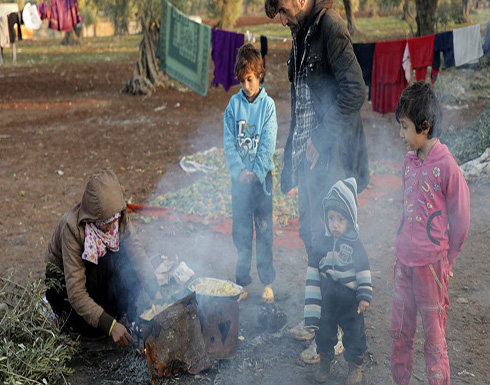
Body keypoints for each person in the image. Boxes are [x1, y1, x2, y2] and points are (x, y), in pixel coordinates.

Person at [264, 0, 370, 358]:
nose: (281, 19)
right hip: (309, 161)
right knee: (313, 239)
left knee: (333, 247)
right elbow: (303, 100)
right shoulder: (301, 32)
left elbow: (355, 91)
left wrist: (321, 137)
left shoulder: (331, 28)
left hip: (333, 159)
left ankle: (335, 336)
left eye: (281, 9)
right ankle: (318, 321)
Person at [391, 82, 470, 385]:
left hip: (431, 269)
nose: (401, 134)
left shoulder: (447, 167)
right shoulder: (408, 163)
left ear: (424, 127)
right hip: (403, 264)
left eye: (405, 127)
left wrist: (447, 260)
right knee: (400, 332)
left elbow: (460, 219)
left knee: (434, 339)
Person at [44, 170, 162, 346]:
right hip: (65, 288)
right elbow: (76, 292)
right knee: (91, 330)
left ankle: (113, 313)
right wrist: (110, 325)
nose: (110, 226)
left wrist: (155, 290)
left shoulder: (118, 216)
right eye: (104, 223)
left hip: (98, 274)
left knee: (127, 267)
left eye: (113, 220)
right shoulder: (73, 228)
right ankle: (77, 322)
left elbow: (137, 253)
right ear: (92, 217)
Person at [223, 43, 278, 303]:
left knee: (264, 232)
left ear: (259, 75)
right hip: (240, 182)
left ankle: (267, 282)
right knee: (242, 234)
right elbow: (229, 143)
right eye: (243, 80)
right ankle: (242, 282)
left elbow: (268, 142)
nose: (247, 85)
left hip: (262, 182)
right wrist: (240, 171)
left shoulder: (268, 106)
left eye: (251, 79)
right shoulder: (232, 107)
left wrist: (256, 171)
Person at [310, 178, 372, 384]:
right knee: (324, 329)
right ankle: (325, 361)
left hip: (350, 299)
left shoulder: (355, 243)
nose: (335, 224)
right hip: (328, 296)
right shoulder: (324, 240)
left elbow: (363, 269)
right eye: (331, 218)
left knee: (354, 334)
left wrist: (364, 296)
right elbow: (315, 264)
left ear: (350, 219)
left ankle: (355, 366)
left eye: (340, 219)